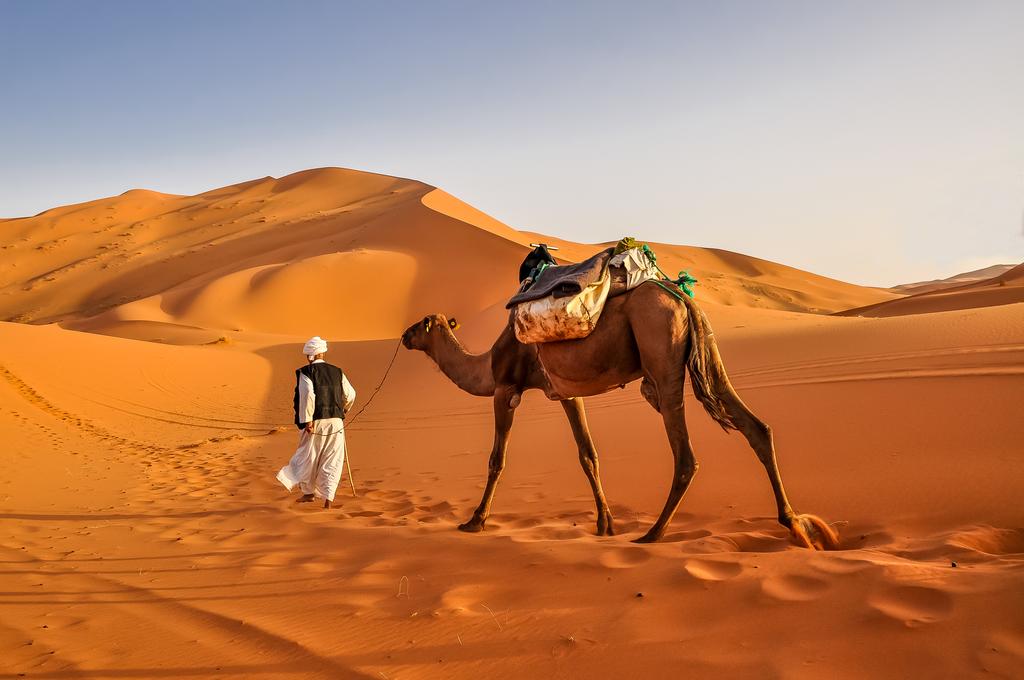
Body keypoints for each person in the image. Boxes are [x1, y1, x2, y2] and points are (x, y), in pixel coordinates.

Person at [276, 336, 356, 509]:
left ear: (309, 355)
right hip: (336, 422)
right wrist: (343, 410)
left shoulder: (306, 372)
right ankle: (328, 500)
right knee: (332, 458)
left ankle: (308, 493)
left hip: (316, 422)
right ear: (323, 352)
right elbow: (351, 395)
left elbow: (307, 396)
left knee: (307, 456)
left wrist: (308, 421)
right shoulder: (337, 371)